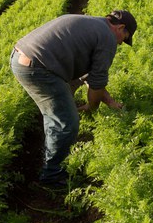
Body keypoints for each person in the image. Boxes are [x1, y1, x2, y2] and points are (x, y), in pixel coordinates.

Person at [11, 10, 137, 188]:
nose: (121, 43)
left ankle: (52, 143)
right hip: (39, 68)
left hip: (21, 57)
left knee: (61, 105)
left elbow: (90, 76)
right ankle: (52, 175)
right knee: (66, 122)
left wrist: (109, 102)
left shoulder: (92, 25)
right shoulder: (107, 38)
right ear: (120, 27)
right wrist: (92, 108)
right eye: (124, 38)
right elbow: (97, 82)